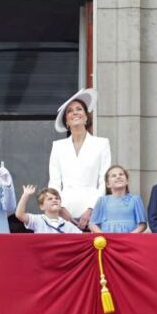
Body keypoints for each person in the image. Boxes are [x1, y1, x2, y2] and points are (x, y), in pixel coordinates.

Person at [48, 89, 111, 229]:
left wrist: (91, 210)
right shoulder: (58, 147)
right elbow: (54, 182)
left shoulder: (102, 144)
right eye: (70, 111)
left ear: (86, 116)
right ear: (67, 121)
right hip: (64, 211)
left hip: (94, 212)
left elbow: (103, 182)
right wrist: (59, 208)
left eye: (79, 109)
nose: (75, 112)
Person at [89, 165, 147, 233]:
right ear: (108, 184)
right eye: (114, 176)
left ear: (127, 181)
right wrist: (103, 235)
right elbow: (92, 224)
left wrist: (130, 236)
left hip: (129, 240)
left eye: (121, 174)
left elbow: (142, 224)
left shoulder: (135, 200)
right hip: (108, 240)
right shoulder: (102, 201)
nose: (118, 177)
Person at [15, 185, 82, 234]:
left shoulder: (68, 225)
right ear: (42, 206)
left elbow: (83, 238)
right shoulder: (38, 220)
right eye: (50, 199)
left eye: (57, 198)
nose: (54, 200)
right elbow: (19, 215)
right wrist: (25, 195)